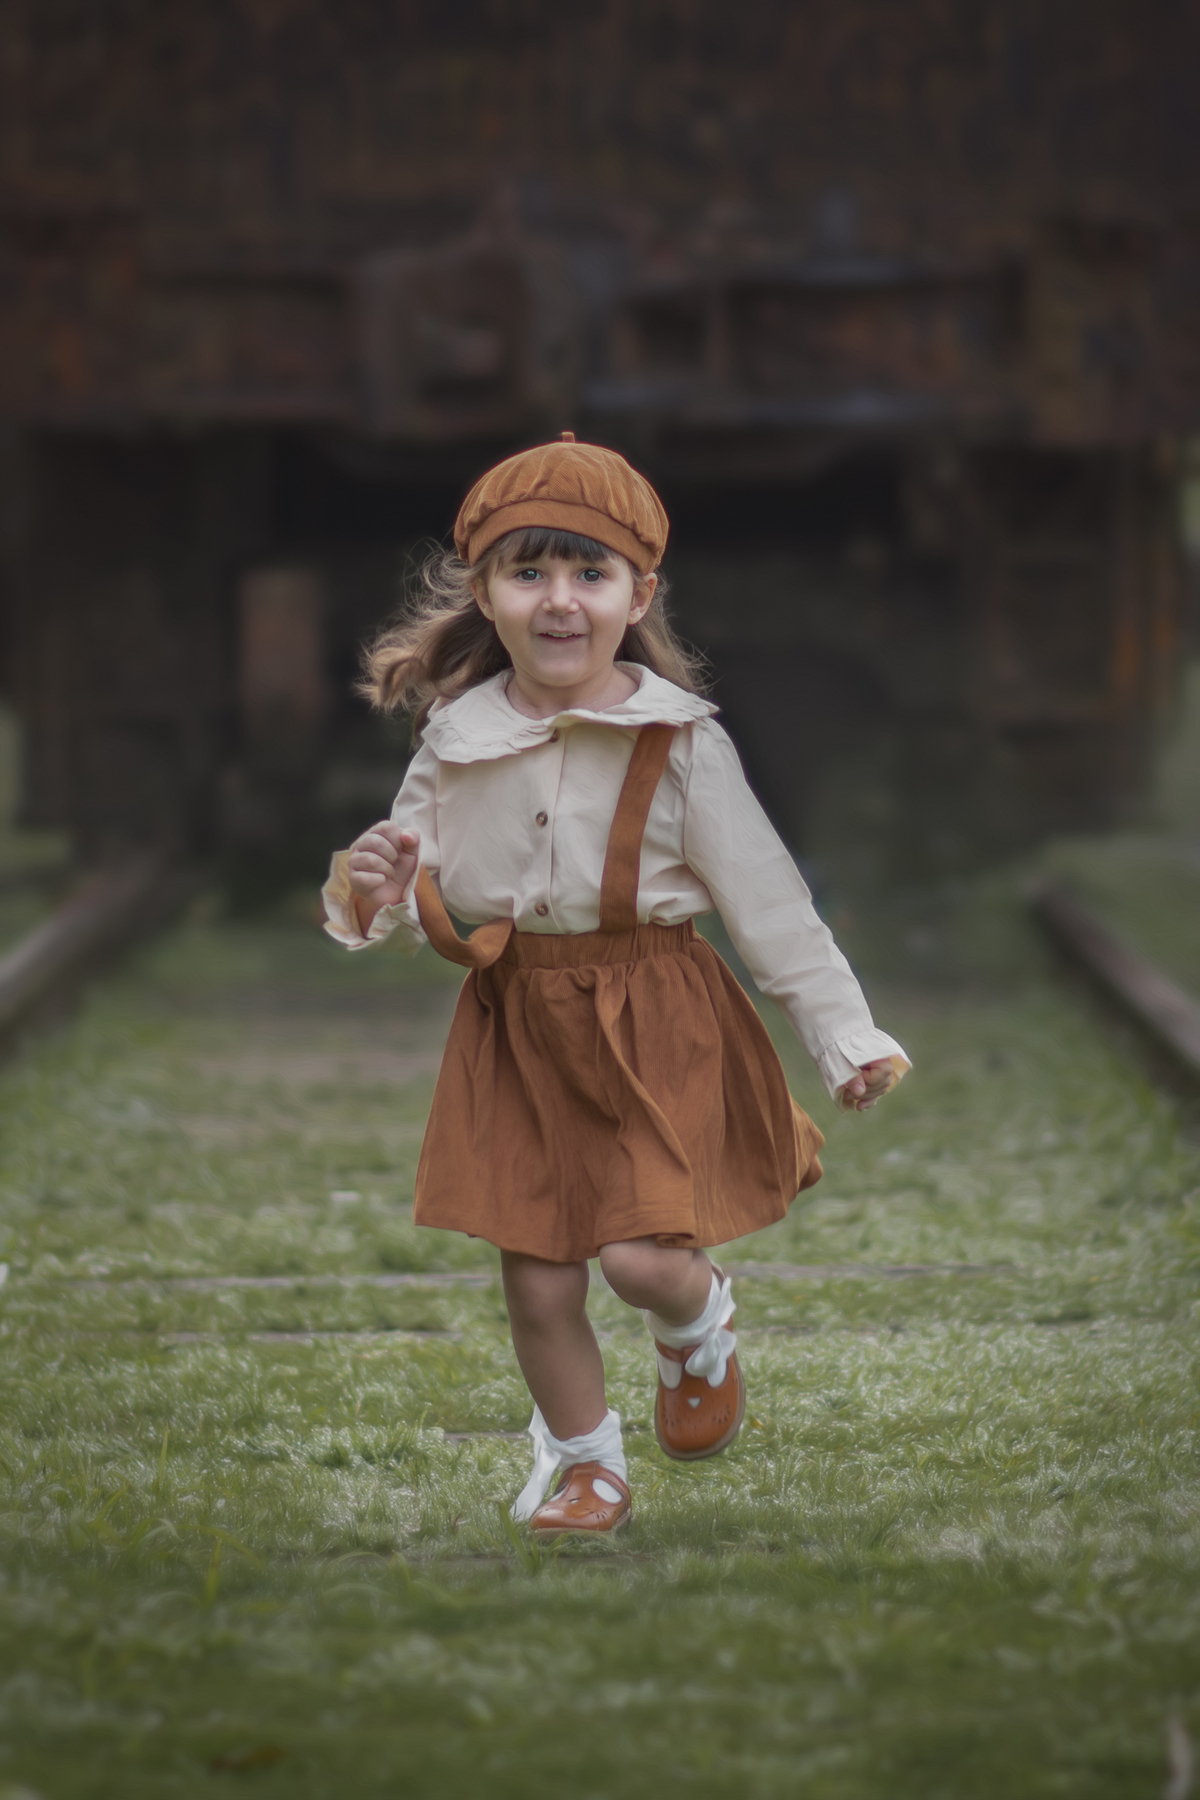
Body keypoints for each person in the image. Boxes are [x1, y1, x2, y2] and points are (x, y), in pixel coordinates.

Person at [322, 434, 909, 1538]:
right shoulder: (456, 738)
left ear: (639, 593)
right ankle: (591, 1467)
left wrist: (844, 1036)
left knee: (642, 1260)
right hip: (517, 1027)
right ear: (483, 592)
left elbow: (770, 904)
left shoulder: (681, 742)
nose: (559, 602)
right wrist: (371, 887)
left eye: (588, 574)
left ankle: (698, 1327)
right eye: (527, 572)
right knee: (539, 1283)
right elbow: (405, 894)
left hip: (654, 1017)